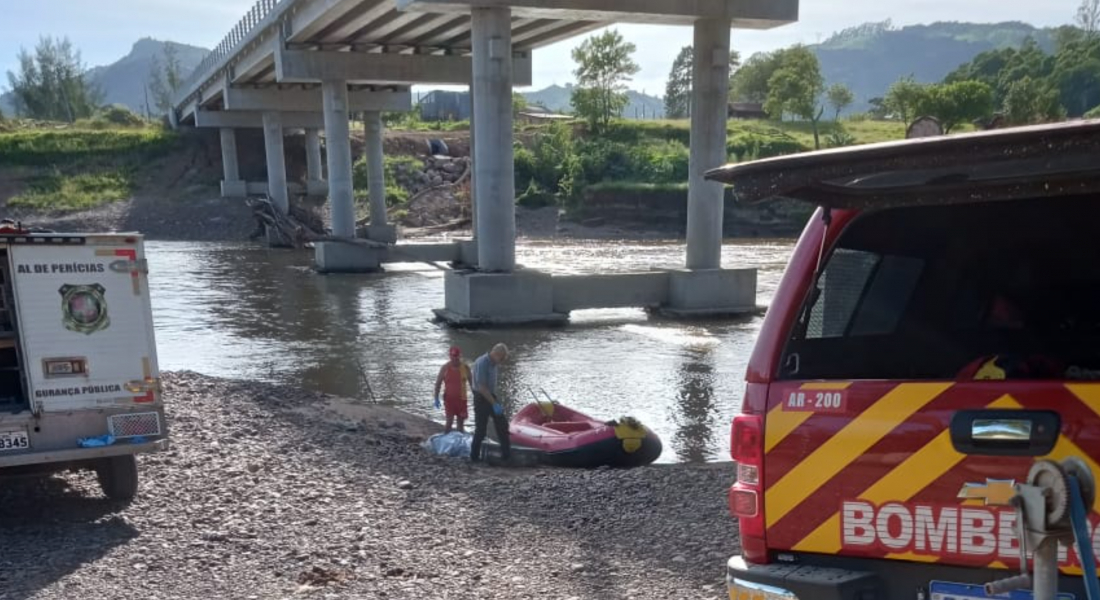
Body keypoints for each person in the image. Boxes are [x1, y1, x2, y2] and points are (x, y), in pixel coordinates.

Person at [469, 343, 511, 463]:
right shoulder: (482, 363)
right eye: (502, 358)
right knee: (481, 430)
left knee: (502, 424)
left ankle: (506, 456)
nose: (502, 361)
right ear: (496, 354)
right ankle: (474, 457)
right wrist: (494, 404)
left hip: (490, 396)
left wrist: (494, 401)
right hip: (481, 397)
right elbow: (481, 387)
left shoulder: (494, 364)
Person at [434, 346, 471, 433]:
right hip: (449, 400)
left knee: (460, 425)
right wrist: (436, 398)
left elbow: (473, 384)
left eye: (457, 356)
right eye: (453, 356)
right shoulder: (445, 368)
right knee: (449, 423)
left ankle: (459, 443)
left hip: (462, 400)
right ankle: (446, 441)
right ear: (450, 356)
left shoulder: (465, 368)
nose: (455, 358)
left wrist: (477, 399)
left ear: (460, 356)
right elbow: (438, 383)